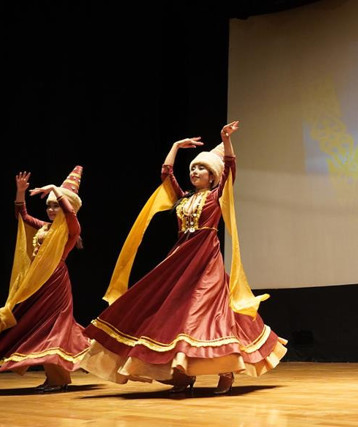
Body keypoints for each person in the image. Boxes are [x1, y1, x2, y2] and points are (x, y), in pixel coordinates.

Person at [80, 122, 286, 394]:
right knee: (174, 313)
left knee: (208, 312)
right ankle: (181, 371)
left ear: (213, 175)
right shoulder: (183, 198)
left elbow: (231, 168)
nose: (195, 171)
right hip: (179, 260)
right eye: (192, 168)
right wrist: (175, 147)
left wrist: (225, 140)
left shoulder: (216, 196)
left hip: (205, 260)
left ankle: (226, 370)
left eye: (201, 168)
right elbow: (166, 173)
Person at [0, 167, 89, 392]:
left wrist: (56, 189)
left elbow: (71, 214)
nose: (51, 209)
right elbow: (22, 217)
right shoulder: (45, 227)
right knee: (36, 324)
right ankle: (58, 378)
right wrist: (20, 192)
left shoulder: (70, 230)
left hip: (55, 282)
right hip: (37, 281)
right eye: (49, 206)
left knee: (51, 326)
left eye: (56, 205)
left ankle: (58, 379)